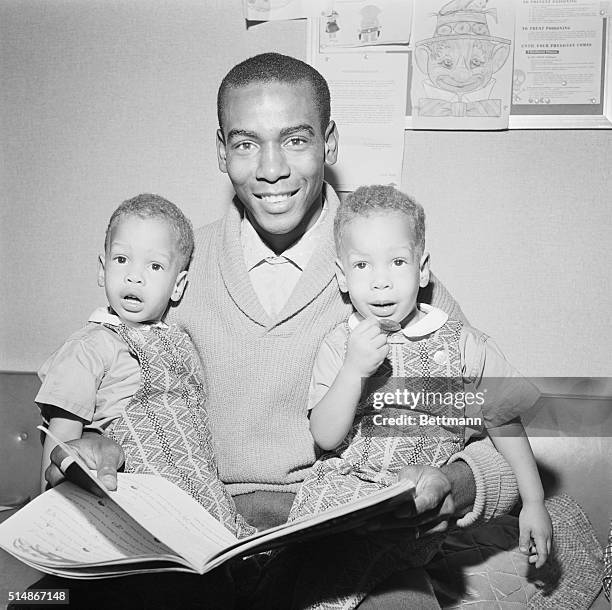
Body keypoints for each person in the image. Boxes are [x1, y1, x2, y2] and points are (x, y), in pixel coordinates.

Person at [45, 53, 520, 607]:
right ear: (222, 152)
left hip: (349, 540)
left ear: (330, 143)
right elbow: (94, 405)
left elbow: (495, 437)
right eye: (247, 144)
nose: (271, 168)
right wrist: (89, 452)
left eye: (295, 139)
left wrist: (453, 488)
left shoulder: (396, 276)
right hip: (193, 535)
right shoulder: (167, 268)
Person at [285, 185, 551, 609]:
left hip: (412, 504)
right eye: (361, 265)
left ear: (422, 269)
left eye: (397, 261)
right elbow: (326, 436)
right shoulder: (339, 345)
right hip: (343, 494)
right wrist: (354, 371)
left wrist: (534, 501)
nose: (381, 279)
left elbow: (505, 422)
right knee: (304, 567)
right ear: (341, 276)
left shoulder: (464, 344)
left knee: (347, 575)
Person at [37, 194, 253, 538]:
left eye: (154, 266)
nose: (134, 277)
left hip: (204, 497)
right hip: (132, 507)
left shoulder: (180, 341)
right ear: (102, 269)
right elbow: (59, 452)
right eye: (122, 259)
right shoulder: (88, 348)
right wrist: (59, 526)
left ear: (178, 286)